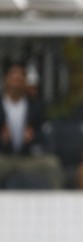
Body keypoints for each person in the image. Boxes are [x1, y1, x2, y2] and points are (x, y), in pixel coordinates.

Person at [0, 61, 63, 189]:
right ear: (6, 79)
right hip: (3, 157)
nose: (16, 81)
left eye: (20, 76)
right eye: (13, 76)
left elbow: (44, 134)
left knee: (52, 164)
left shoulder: (35, 106)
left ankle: (57, 204)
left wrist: (33, 136)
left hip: (27, 158)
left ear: (25, 81)